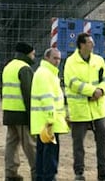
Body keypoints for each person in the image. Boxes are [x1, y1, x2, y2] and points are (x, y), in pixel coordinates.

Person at [64, 32, 105, 181]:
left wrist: (101, 90)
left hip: (97, 110)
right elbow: (72, 83)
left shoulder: (98, 60)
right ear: (82, 45)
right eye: (89, 42)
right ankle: (79, 173)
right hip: (80, 110)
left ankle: (103, 172)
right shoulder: (71, 62)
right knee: (78, 143)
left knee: (103, 140)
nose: (92, 44)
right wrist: (92, 91)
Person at [30, 47, 69, 181]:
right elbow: (47, 99)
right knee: (50, 153)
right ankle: (49, 178)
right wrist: (51, 120)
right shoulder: (45, 74)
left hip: (44, 121)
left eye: (59, 58)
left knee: (43, 152)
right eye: (54, 58)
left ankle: (41, 177)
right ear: (46, 58)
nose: (57, 61)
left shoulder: (47, 73)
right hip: (48, 122)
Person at [2, 41, 37, 181]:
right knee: (30, 146)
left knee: (11, 144)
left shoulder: (8, 66)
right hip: (21, 113)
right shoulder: (25, 68)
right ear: (27, 54)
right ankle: (37, 172)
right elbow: (28, 94)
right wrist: (32, 117)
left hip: (9, 111)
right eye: (33, 54)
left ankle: (10, 173)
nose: (34, 57)